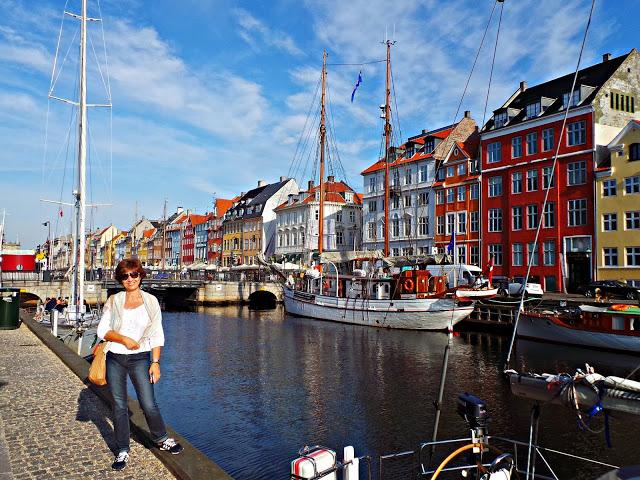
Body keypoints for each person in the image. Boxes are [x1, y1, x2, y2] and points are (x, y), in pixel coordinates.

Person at [96, 258, 183, 471]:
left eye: (134, 274)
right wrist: (123, 339)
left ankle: (161, 438)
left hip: (141, 357)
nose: (130, 279)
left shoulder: (151, 301)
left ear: (140, 276)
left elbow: (157, 334)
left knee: (148, 402)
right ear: (120, 279)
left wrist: (156, 362)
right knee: (119, 405)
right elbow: (102, 330)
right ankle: (122, 449)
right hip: (115, 356)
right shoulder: (114, 301)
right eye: (125, 276)